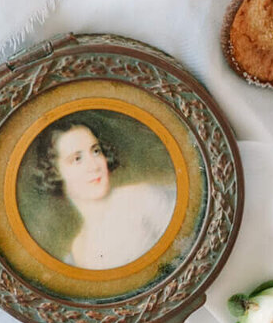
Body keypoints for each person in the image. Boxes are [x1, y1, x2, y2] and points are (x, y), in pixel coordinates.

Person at [30, 114, 175, 269]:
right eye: (77, 159)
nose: (94, 165)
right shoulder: (76, 250)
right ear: (55, 171)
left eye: (96, 151)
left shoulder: (142, 198)